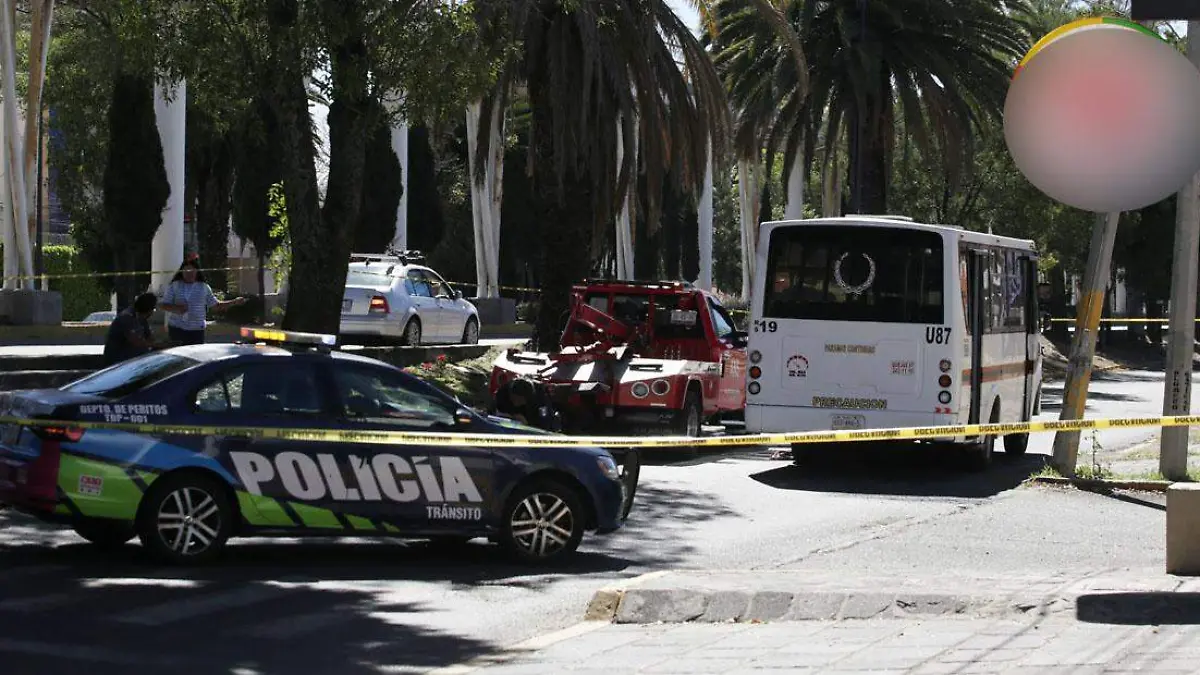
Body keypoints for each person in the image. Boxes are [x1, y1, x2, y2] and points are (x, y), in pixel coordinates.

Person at [158, 258, 247, 345]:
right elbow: (162, 305)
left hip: (197, 330)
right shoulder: (174, 286)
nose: (189, 274)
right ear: (182, 272)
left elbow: (216, 306)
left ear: (197, 272)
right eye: (186, 271)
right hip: (177, 329)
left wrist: (234, 302)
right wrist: (176, 308)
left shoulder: (204, 287)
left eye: (192, 271)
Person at [103, 293, 159, 366]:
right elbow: (136, 342)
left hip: (134, 360)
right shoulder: (127, 317)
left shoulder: (142, 318)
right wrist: (158, 345)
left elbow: (149, 337)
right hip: (119, 361)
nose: (152, 312)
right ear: (149, 309)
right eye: (153, 309)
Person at [491, 377, 561, 431]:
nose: (516, 402)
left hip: (532, 418)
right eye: (514, 399)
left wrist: (528, 423)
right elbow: (498, 411)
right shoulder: (502, 393)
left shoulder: (540, 398)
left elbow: (544, 419)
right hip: (510, 418)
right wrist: (513, 415)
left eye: (520, 400)